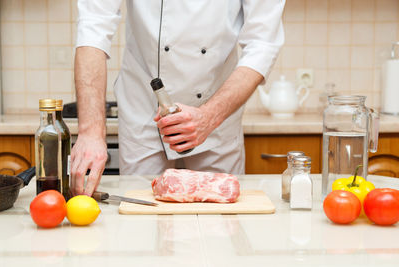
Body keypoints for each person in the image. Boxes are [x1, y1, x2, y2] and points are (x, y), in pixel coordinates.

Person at [71, 0, 285, 196]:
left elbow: (263, 43)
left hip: (218, 115)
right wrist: (90, 131)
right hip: (144, 111)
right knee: (139, 226)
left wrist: (210, 116)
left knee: (220, 225)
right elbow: (94, 26)